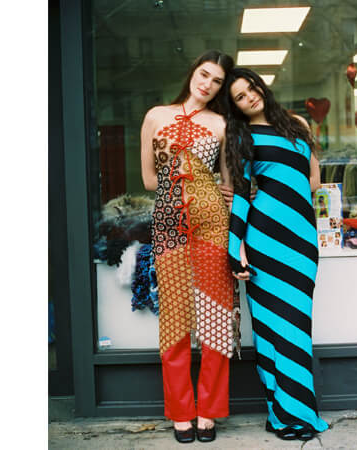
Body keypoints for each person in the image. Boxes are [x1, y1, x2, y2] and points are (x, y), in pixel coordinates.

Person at [223, 67, 329, 442]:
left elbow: (312, 180)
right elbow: (238, 194)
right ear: (234, 106)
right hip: (265, 241)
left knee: (297, 328)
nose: (249, 96)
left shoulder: (297, 123)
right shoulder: (240, 135)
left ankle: (291, 411)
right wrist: (236, 250)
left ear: (260, 87)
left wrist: (284, 188)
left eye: (251, 88)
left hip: (302, 241)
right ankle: (286, 415)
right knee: (272, 330)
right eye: (239, 96)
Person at [139, 50, 237, 444]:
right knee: (175, 321)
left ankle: (209, 410)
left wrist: (219, 196)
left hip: (212, 222)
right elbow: (148, 179)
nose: (208, 84)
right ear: (193, 73)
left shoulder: (221, 123)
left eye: (216, 81)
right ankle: (181, 411)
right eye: (204, 74)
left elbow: (227, 181)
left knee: (214, 319)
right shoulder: (155, 115)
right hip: (168, 222)